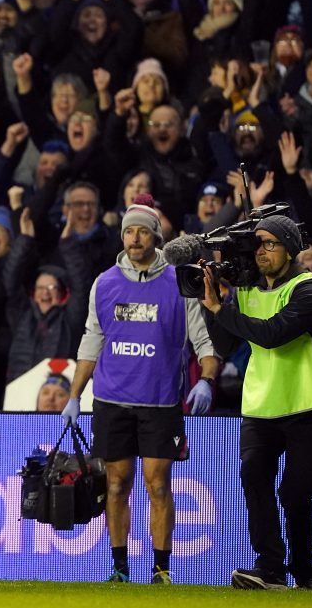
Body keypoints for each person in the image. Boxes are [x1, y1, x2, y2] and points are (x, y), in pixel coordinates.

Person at [64, 198, 219, 584]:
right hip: (111, 400)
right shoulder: (105, 284)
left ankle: (161, 570)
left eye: (143, 231)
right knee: (116, 485)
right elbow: (91, 341)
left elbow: (205, 345)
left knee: (158, 484)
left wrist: (206, 381)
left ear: (156, 237)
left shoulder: (180, 284)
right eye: (129, 231)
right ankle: (119, 569)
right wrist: (73, 395)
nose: (135, 238)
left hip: (160, 402)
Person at [199, 214, 312, 590]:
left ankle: (306, 574)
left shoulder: (311, 291)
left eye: (269, 243)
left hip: (306, 404)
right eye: (256, 244)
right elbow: (226, 345)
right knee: (254, 479)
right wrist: (212, 301)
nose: (260, 251)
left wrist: (220, 310)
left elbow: (272, 334)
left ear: (291, 248)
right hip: (260, 405)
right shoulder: (246, 290)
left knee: (294, 493)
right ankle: (270, 569)